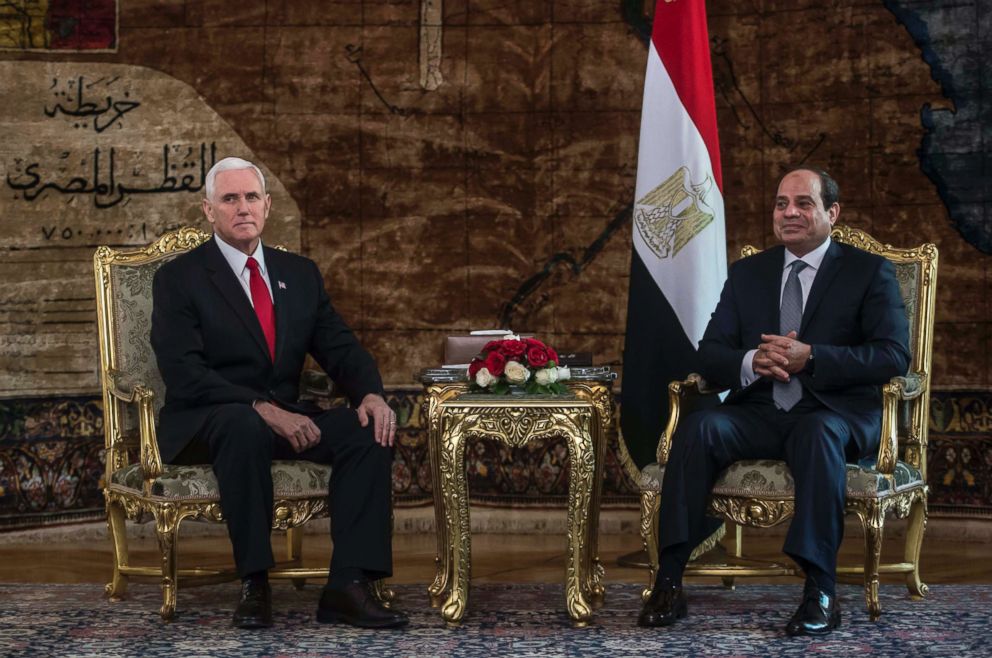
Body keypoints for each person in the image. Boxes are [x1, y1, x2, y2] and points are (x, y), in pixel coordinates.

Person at [637, 167, 911, 636]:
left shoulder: (868, 271)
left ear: (832, 212)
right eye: (781, 204)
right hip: (762, 411)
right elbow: (711, 353)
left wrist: (814, 358)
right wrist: (750, 361)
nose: (790, 213)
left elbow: (893, 356)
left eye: (803, 203)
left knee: (817, 431)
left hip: (835, 414)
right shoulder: (749, 273)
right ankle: (669, 578)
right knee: (702, 426)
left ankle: (820, 590)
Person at [151, 156, 408, 630]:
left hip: (286, 415)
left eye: (251, 197)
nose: (242, 207)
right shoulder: (180, 279)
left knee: (368, 431)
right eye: (229, 198)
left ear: (267, 206)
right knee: (243, 424)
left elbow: (340, 347)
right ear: (209, 210)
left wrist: (370, 394)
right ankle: (255, 583)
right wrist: (260, 406)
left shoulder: (300, 274)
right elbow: (183, 372)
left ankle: (348, 586)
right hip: (209, 419)